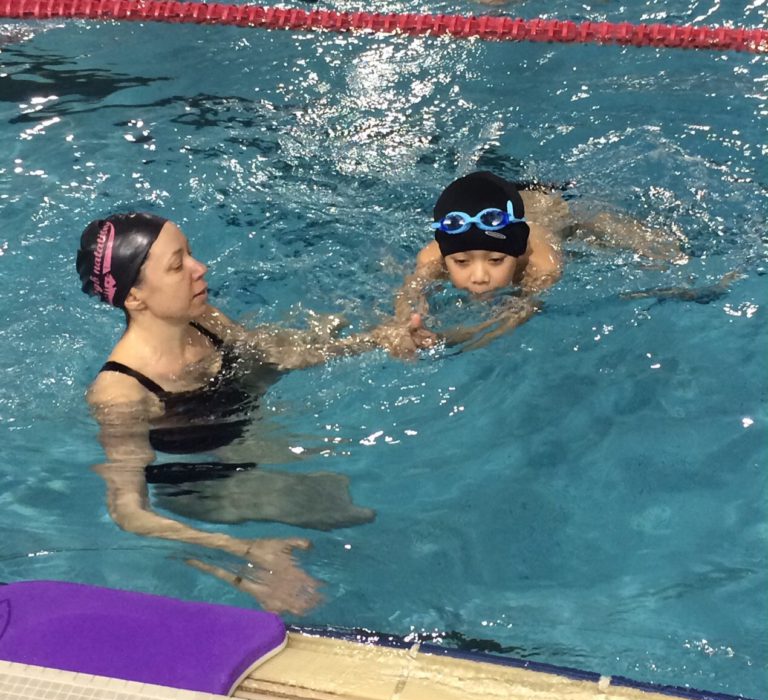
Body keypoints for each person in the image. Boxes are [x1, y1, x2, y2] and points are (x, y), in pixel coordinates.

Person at [77, 212, 430, 614]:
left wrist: (376, 340)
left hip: (246, 441)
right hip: (206, 489)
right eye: (178, 265)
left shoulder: (205, 320)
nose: (200, 268)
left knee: (377, 487)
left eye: (191, 253)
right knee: (356, 518)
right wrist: (243, 550)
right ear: (134, 297)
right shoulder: (123, 393)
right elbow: (129, 514)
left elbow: (273, 355)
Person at [394, 171, 687, 349]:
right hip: (498, 199)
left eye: (496, 260)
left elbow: (516, 314)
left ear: (518, 252)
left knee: (603, 227)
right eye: (461, 262)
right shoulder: (434, 255)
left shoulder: (543, 259)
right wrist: (407, 326)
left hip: (551, 201)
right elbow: (409, 294)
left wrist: (449, 339)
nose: (479, 277)